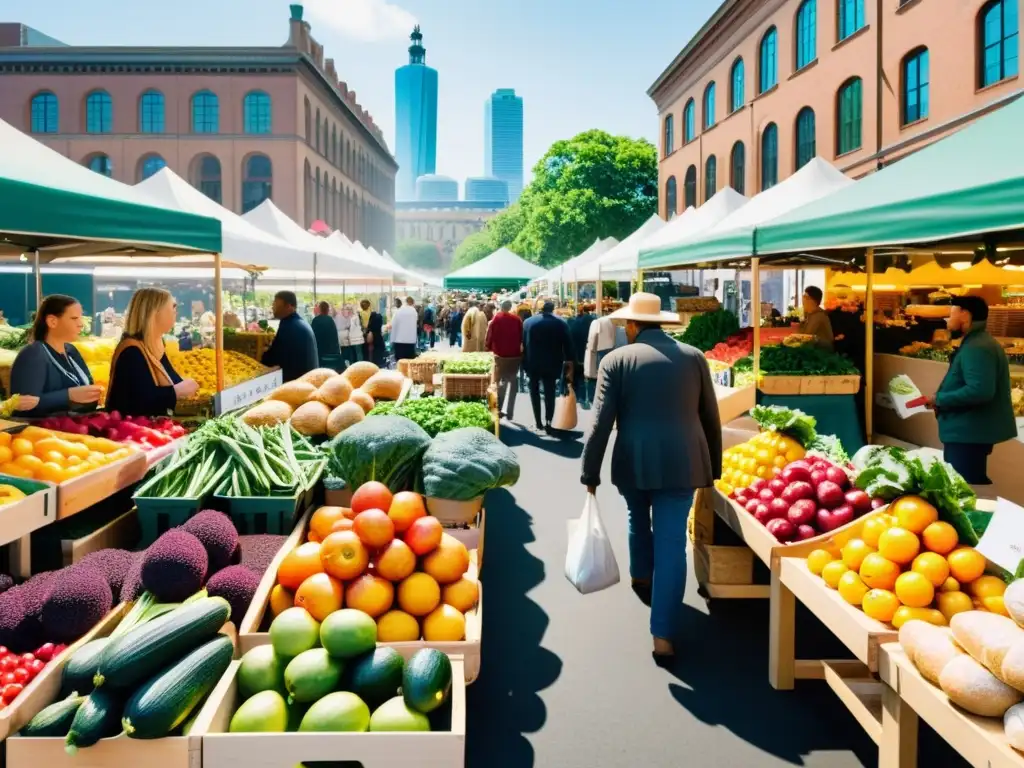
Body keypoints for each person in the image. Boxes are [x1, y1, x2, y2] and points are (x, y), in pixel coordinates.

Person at [581, 293, 722, 662]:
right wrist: (715, 467)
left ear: (630, 325)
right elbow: (710, 416)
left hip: (634, 459)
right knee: (673, 542)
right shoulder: (693, 357)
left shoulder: (617, 360)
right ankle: (663, 635)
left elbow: (600, 423)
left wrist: (589, 471)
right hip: (685, 460)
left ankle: (641, 576)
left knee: (636, 516)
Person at [926, 296, 1016, 484]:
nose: (947, 320)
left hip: (968, 434)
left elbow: (980, 391)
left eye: (951, 314)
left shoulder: (978, 347)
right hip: (967, 432)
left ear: (964, 315)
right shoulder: (976, 342)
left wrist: (939, 399)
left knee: (966, 488)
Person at [106, 288, 199, 416]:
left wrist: (185, 386)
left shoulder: (156, 346)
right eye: (172, 307)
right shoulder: (131, 351)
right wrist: (176, 391)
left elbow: (172, 379)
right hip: (132, 431)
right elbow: (139, 401)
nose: (175, 312)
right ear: (154, 313)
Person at [9, 294, 94, 417]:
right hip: (42, 432)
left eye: (81, 318)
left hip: (73, 428)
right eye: (74, 318)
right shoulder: (34, 354)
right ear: (52, 321)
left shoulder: (71, 351)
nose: (81, 324)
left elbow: (88, 384)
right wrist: (68, 395)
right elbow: (24, 406)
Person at [523, 301, 574, 432]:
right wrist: (569, 361)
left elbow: (523, 344)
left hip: (532, 362)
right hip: (552, 362)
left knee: (533, 391)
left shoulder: (528, 322)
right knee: (549, 392)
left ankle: (538, 421)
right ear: (553, 309)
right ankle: (549, 421)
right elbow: (568, 344)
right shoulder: (561, 323)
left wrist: (523, 362)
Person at [261, 291, 318, 382]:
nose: (273, 308)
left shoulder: (289, 325)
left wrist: (260, 354)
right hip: (308, 379)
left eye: (276, 305)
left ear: (289, 306)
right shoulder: (298, 322)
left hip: (298, 383)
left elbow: (272, 358)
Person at [486, 300, 524, 422]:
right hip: (515, 356)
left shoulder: (496, 319)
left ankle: (499, 408)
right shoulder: (517, 319)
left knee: (500, 384)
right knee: (513, 383)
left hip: (500, 356)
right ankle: (510, 411)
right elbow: (521, 336)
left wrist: (488, 348)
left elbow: (489, 338)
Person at [799, 286, 834, 351]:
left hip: (822, 354)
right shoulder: (810, 315)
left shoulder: (819, 315)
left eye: (806, 297)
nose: (803, 300)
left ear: (813, 301)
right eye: (803, 297)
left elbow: (807, 335)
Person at [311, 301, 342, 370]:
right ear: (328, 310)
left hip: (320, 351)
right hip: (331, 352)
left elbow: (313, 336)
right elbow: (334, 338)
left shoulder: (315, 320)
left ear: (320, 309)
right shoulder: (330, 320)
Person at [390, 296, 419, 362]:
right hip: (411, 341)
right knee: (409, 363)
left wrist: (392, 340)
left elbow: (393, 325)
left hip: (399, 341)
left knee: (400, 363)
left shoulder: (398, 312)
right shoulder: (414, 312)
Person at [336, 304, 363, 368]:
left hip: (357, 338)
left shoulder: (354, 317)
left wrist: (348, 327)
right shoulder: (350, 317)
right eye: (347, 309)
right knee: (353, 353)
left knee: (358, 353)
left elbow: (354, 326)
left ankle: (360, 366)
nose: (347, 310)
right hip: (352, 339)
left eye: (349, 309)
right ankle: (355, 366)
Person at [360, 298, 385, 366]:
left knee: (366, 355)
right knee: (376, 357)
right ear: (369, 305)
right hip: (376, 338)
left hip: (363, 337)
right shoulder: (377, 315)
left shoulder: (359, 315)